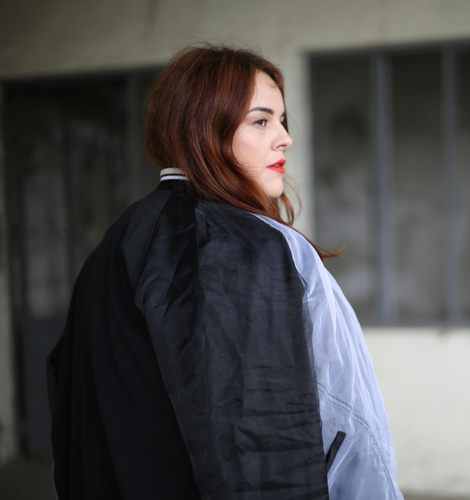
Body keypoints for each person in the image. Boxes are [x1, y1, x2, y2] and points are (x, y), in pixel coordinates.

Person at [47, 45, 403, 500]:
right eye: (261, 121)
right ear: (204, 127)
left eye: (281, 120)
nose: (285, 138)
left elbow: (69, 402)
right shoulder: (251, 247)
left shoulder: (112, 245)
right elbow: (289, 437)